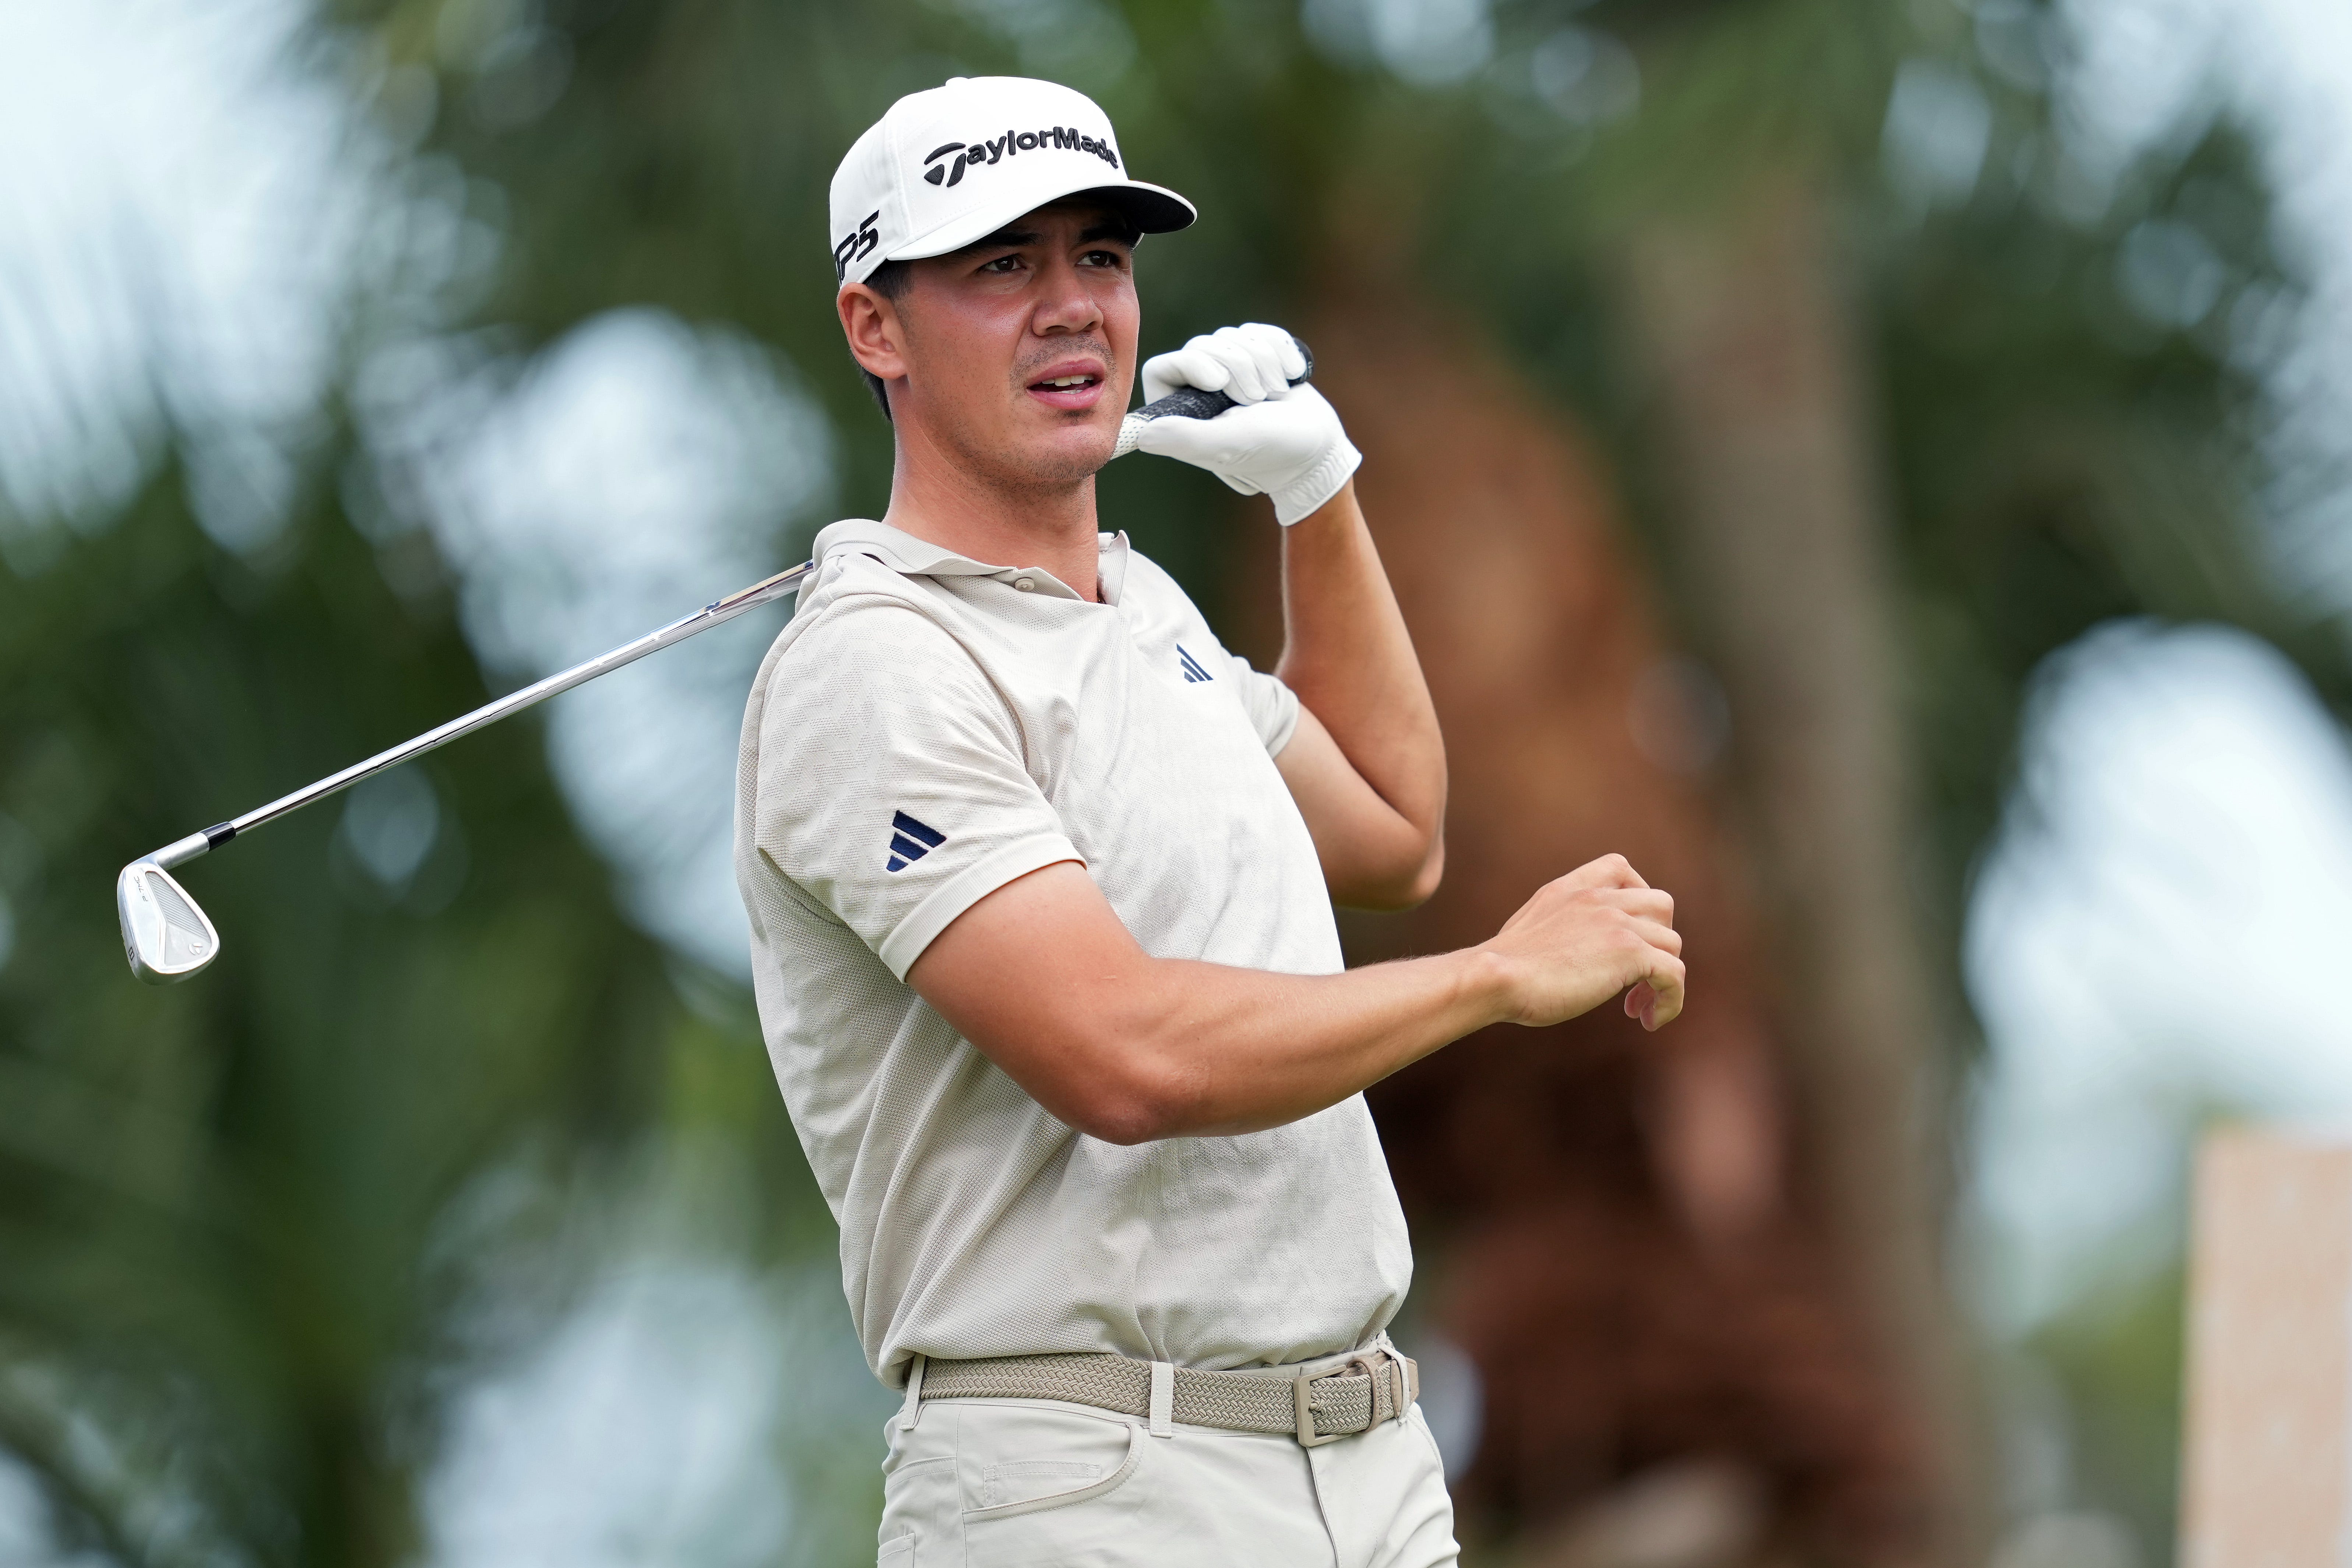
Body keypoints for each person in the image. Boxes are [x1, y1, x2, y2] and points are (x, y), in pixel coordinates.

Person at [733, 73, 1685, 1568]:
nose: (1071, 307)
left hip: (1363, 1463)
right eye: (1001, 266)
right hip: (1093, 1485)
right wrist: (1496, 978)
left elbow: (1389, 831)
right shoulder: (874, 670)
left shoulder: (1140, 608)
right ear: (875, 325)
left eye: (1098, 259)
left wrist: (1318, 494)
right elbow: (1122, 1054)